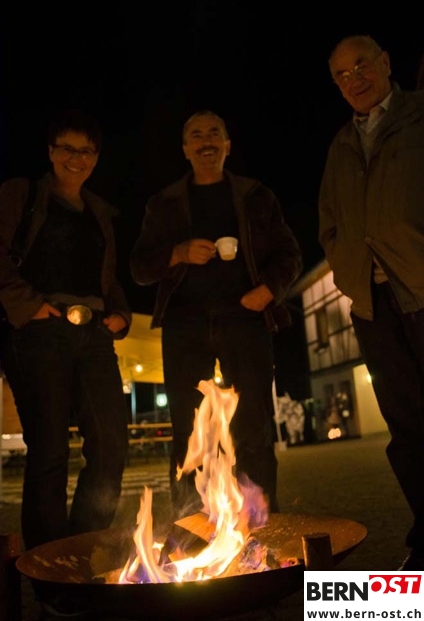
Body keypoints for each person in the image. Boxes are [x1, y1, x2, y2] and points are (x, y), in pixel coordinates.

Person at [130, 110, 302, 516]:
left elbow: (290, 256)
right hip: (185, 324)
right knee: (188, 430)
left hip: (245, 319)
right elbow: (139, 267)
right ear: (185, 149)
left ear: (227, 145)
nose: (205, 141)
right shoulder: (164, 203)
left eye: (214, 134)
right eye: (196, 135)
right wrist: (178, 253)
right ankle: (191, 526)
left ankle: (261, 523)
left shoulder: (256, 196)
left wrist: (267, 291)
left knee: (254, 427)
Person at [0, 109, 131, 613]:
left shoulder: (100, 212)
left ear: (97, 157)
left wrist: (119, 314)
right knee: (49, 451)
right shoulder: (22, 195)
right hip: (39, 331)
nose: (77, 158)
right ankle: (50, 575)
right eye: (67, 148)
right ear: (51, 152)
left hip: (94, 333)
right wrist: (29, 305)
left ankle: (83, 553)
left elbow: (108, 277)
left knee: (111, 445)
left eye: (87, 151)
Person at [319, 35, 424, 570]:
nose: (353, 79)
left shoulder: (417, 116)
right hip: (372, 305)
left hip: (421, 288)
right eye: (341, 74)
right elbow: (329, 223)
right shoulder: (341, 144)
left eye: (361, 66)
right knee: (406, 428)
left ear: (385, 63)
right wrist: (346, 271)